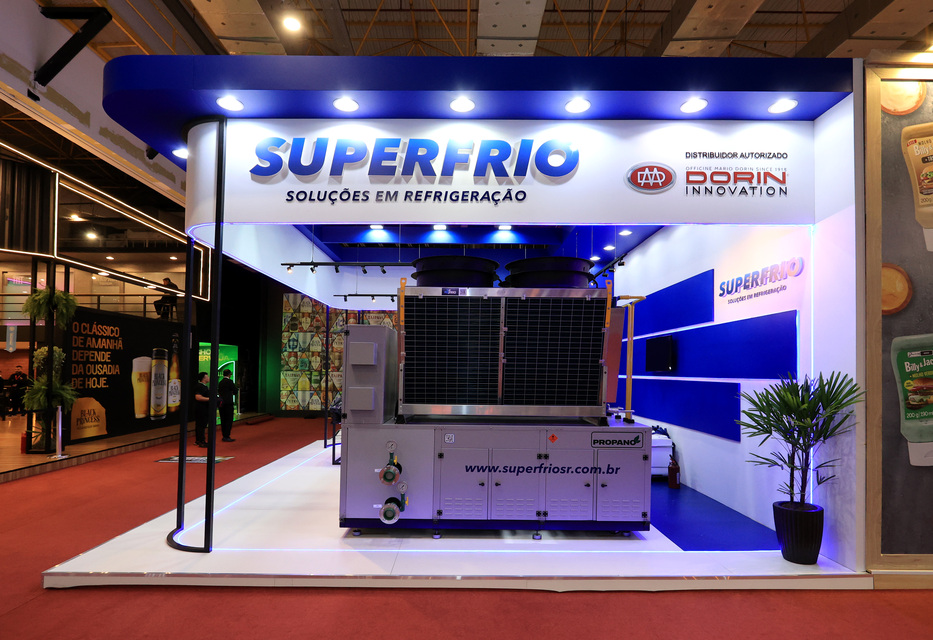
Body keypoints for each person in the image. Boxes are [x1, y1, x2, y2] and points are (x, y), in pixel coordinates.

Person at [218, 369, 237, 442]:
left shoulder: (220, 382)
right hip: (228, 403)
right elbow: (235, 391)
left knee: (223, 419)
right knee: (229, 420)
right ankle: (227, 435)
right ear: (229, 374)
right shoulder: (230, 382)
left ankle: (224, 435)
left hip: (221, 403)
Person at [193, 371, 211, 447]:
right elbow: (198, 397)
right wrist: (210, 399)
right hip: (201, 409)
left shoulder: (203, 386)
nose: (208, 378)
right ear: (204, 378)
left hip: (202, 408)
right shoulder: (200, 386)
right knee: (201, 425)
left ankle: (199, 440)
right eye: (207, 376)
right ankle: (201, 441)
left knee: (200, 425)